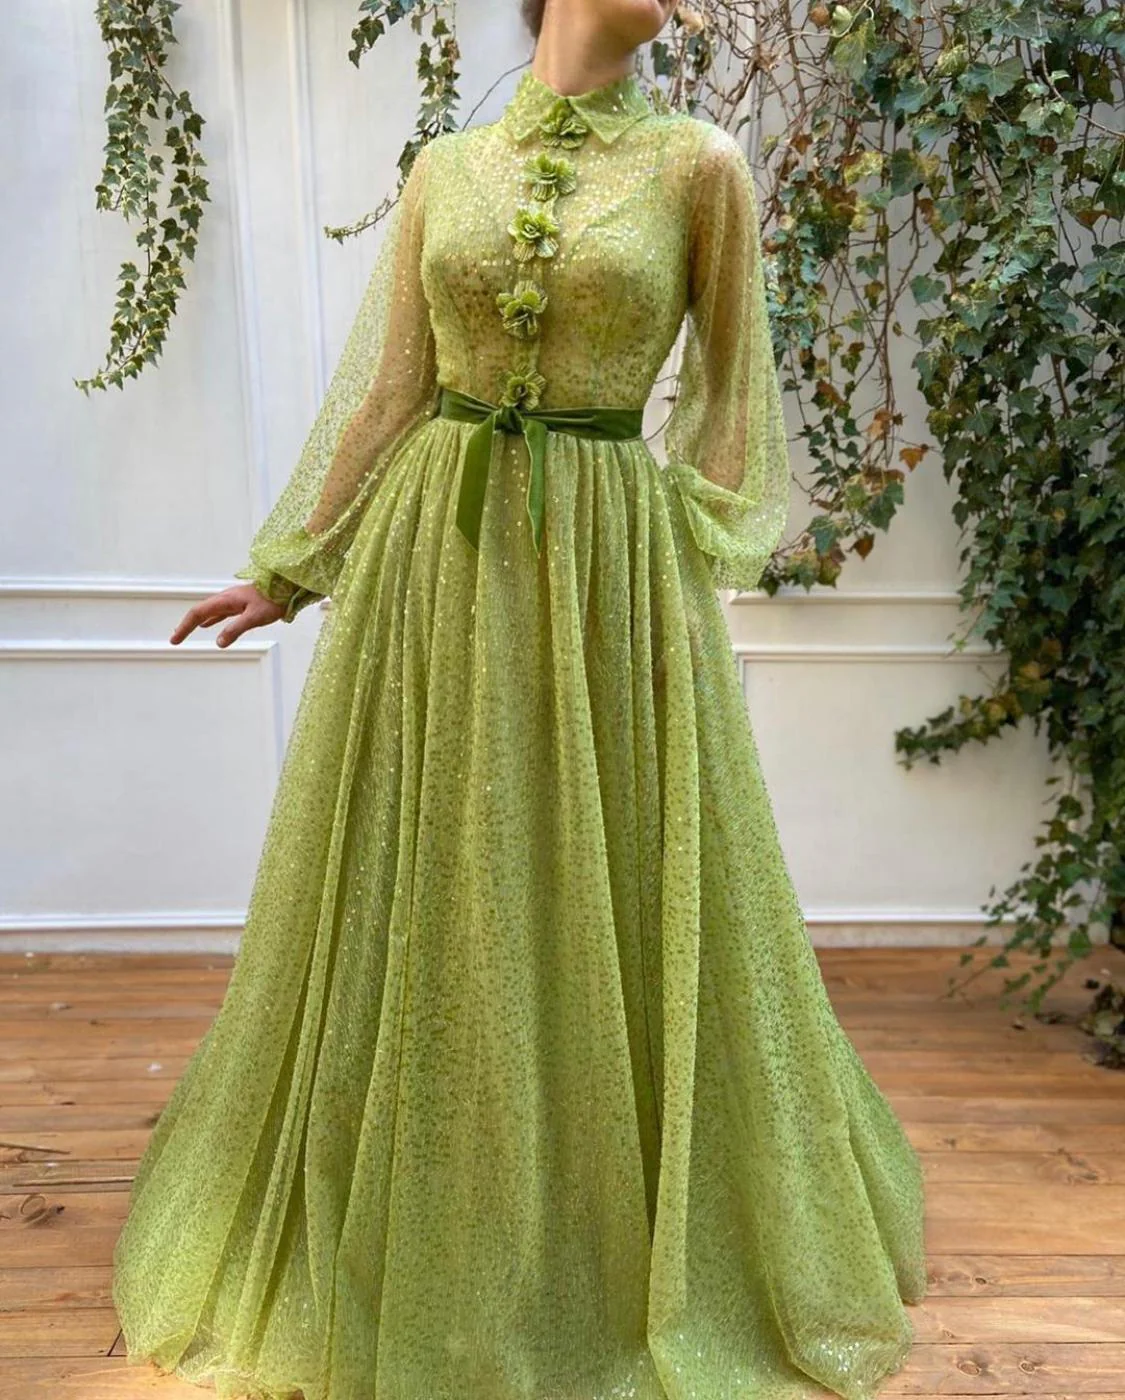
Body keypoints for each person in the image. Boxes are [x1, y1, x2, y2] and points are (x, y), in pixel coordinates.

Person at [112, 1, 928, 1396]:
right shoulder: (446, 167)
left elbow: (732, 392)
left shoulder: (699, 167)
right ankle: (428, 1214)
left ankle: (608, 1241)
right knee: (442, 878)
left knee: (604, 878)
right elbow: (388, 392)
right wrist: (287, 568)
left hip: (609, 570)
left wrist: (678, 556)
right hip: (441, 560)